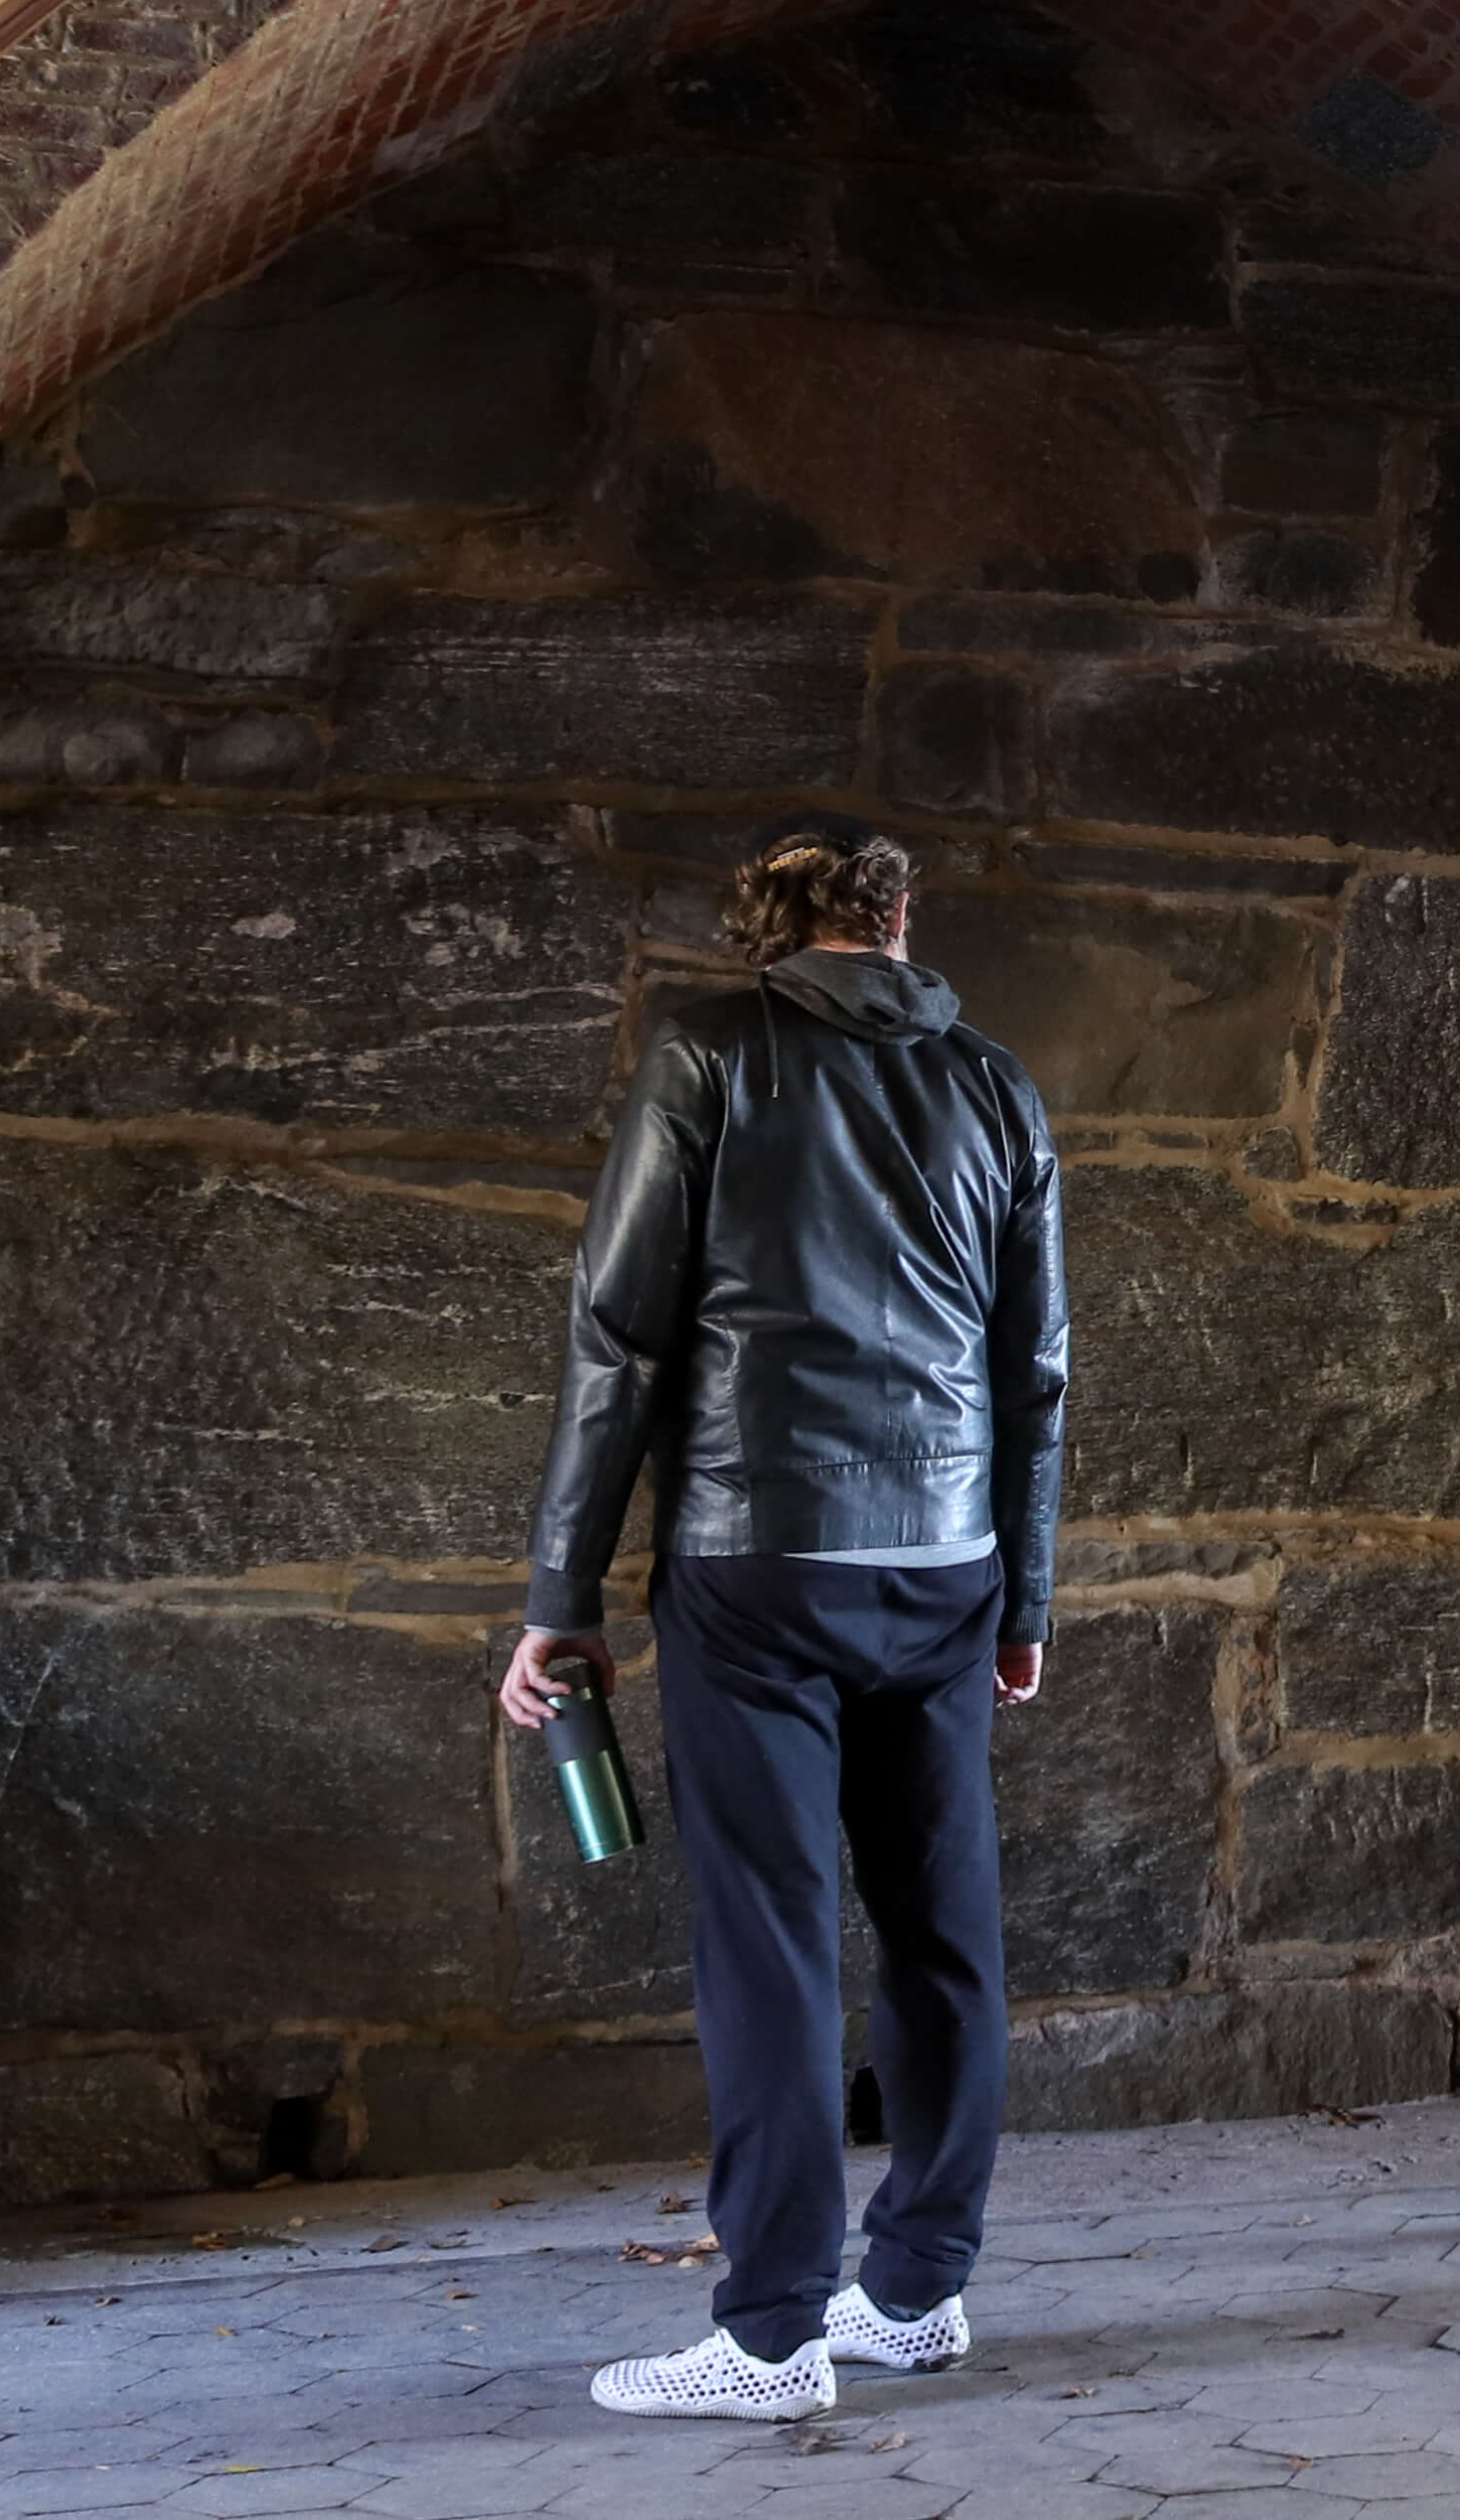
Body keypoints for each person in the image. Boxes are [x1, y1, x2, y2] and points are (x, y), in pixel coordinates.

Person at [506, 825, 1067, 2423]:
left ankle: (764, 2332)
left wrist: (558, 1601)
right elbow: (1032, 1371)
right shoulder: (995, 1084)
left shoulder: (709, 1052)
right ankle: (915, 2288)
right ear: (901, 917)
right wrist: (1023, 1592)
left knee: (768, 1932)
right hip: (948, 1557)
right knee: (944, 1928)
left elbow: (617, 1336)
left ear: (768, 932)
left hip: (757, 1559)